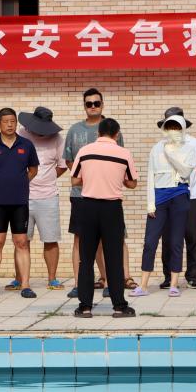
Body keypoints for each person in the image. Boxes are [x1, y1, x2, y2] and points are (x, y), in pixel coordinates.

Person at [63, 88, 131, 299]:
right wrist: (89, 177)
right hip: (81, 195)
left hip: (108, 196)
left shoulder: (112, 129)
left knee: (110, 241)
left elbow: (121, 161)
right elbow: (69, 160)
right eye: (89, 103)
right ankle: (79, 284)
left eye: (96, 103)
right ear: (84, 106)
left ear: (102, 104)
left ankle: (112, 282)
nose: (93, 107)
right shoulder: (74, 130)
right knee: (80, 240)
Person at [70, 118, 138, 318]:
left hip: (88, 207)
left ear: (98, 133)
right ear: (117, 134)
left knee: (86, 259)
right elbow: (132, 183)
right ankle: (119, 307)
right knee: (114, 259)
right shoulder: (124, 153)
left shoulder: (85, 151)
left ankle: (85, 307)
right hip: (112, 209)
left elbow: (74, 180)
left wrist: (91, 179)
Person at [0, 108, 39, 299]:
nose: (10, 125)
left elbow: (33, 170)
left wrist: (20, 184)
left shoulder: (26, 145)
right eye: (6, 121)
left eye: (12, 121)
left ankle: (25, 285)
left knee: (21, 242)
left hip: (20, 202)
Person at [131, 114, 195, 297]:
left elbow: (186, 172)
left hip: (179, 194)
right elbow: (150, 176)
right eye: (170, 127)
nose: (173, 131)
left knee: (176, 241)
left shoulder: (189, 148)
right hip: (159, 196)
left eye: (176, 127)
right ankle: (143, 285)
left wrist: (171, 154)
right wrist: (150, 203)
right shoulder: (156, 148)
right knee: (150, 241)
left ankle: (174, 284)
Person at [17, 107, 67, 290]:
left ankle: (52, 279)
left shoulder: (57, 139)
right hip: (22, 197)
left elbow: (62, 165)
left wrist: (47, 178)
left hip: (48, 197)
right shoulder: (21, 134)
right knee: (21, 240)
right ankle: (20, 279)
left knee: (50, 239)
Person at [158, 107, 196, 291]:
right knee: (168, 238)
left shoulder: (195, 144)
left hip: (190, 196)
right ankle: (168, 276)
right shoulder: (161, 145)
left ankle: (192, 276)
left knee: (191, 236)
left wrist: (185, 184)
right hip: (166, 196)